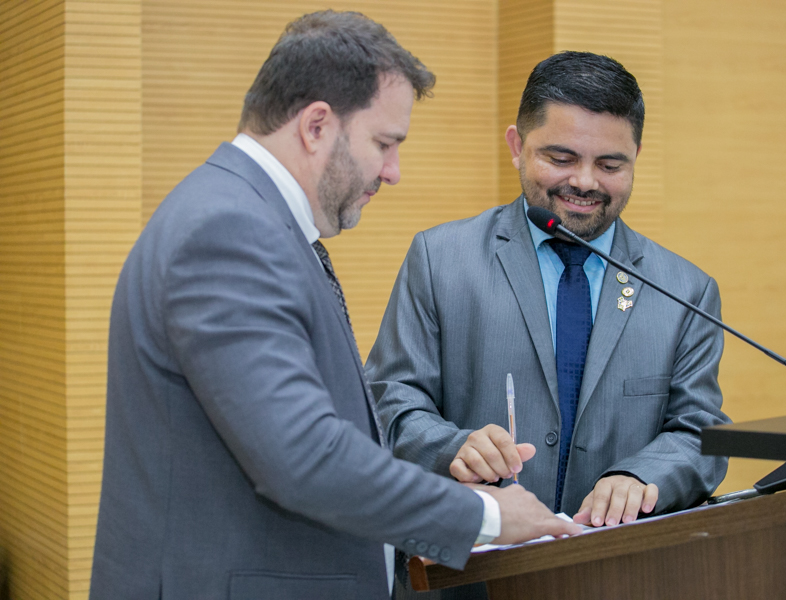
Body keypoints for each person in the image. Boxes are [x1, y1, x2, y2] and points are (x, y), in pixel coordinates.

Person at [88, 12, 578, 600]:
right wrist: (488, 516)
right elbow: (303, 457)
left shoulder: (252, 218)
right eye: (384, 144)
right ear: (317, 125)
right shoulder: (227, 231)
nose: (392, 173)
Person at [368, 52, 730, 533]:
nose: (584, 181)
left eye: (609, 164)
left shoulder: (685, 291)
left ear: (636, 158)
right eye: (561, 158)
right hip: (472, 571)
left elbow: (700, 433)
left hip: (615, 568)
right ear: (517, 146)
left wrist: (640, 474)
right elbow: (388, 401)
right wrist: (451, 446)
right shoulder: (440, 259)